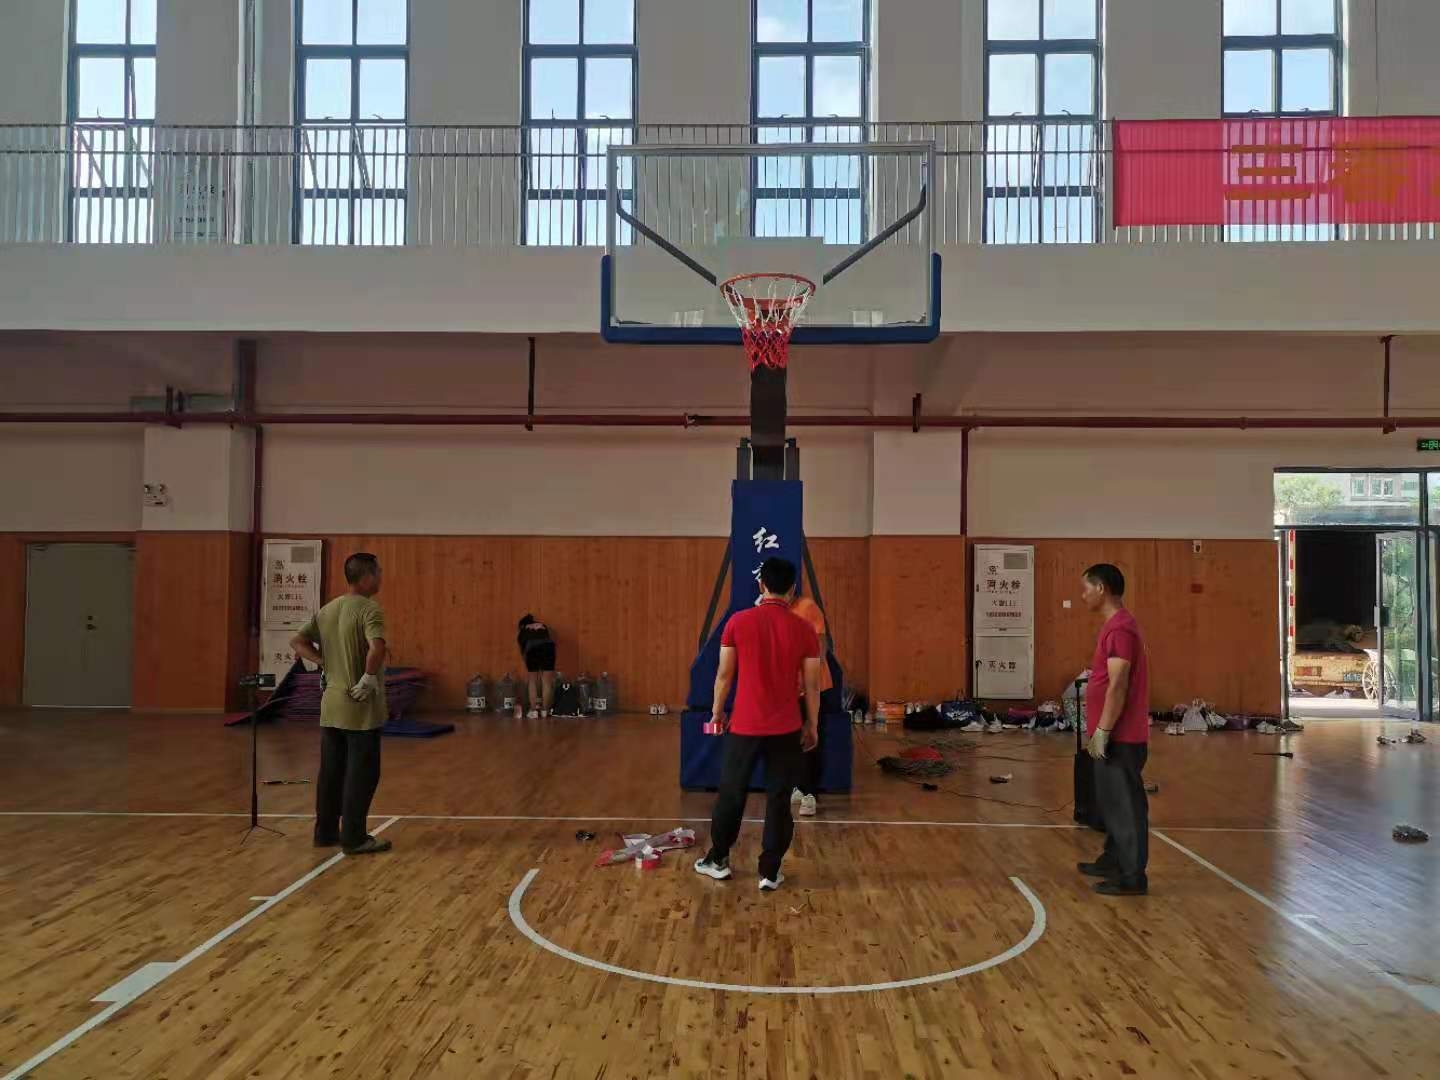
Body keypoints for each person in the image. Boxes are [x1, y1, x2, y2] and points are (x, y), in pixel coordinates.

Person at [695, 557, 822, 892]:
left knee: (731, 793)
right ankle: (769, 871)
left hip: (744, 727)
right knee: (779, 799)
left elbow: (724, 676)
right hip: (787, 728)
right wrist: (812, 724)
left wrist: (716, 713)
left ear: (761, 585)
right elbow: (811, 686)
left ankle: (717, 860)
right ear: (792, 589)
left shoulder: (737, 622)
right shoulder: (804, 629)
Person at [290, 552, 391, 856]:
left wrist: (323, 662)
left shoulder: (328, 609)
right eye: (378, 572)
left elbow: (297, 642)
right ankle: (355, 838)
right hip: (359, 707)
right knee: (363, 773)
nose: (381, 577)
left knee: (331, 772)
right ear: (367, 576)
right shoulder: (369, 609)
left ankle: (325, 833)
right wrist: (368, 677)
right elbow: (377, 647)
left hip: (331, 705)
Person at [1077, 563, 1151, 896]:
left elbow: (1118, 684)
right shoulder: (1114, 627)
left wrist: (1104, 730)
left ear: (1101, 588)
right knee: (1111, 803)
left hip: (1122, 736)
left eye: (1085, 589)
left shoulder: (1121, 629)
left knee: (1125, 806)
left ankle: (1132, 876)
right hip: (1111, 733)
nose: (1083, 596)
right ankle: (1113, 859)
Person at [789, 592, 832, 818]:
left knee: (811, 738)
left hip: (812, 687)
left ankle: (811, 794)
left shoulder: (808, 608)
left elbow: (820, 649)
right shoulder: (773, 609)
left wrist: (808, 679)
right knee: (793, 740)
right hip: (788, 688)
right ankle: (799, 785)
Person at [516, 614, 556, 718]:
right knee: (546, 680)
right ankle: (545, 711)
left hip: (532, 647)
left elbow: (523, 652)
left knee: (533, 680)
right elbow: (547, 637)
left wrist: (528, 663)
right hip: (549, 647)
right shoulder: (542, 625)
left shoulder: (523, 630)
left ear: (522, 625)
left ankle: (533, 711)